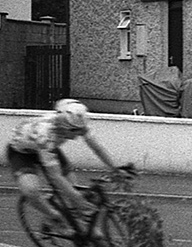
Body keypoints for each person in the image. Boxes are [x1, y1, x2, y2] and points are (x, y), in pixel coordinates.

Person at [8, 98, 130, 233]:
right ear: (61, 125)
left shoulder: (76, 124)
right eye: (72, 131)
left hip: (49, 149)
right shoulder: (46, 134)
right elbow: (55, 176)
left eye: (79, 130)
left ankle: (81, 225)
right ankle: (53, 216)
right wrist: (77, 198)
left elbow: (97, 148)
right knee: (30, 190)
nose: (76, 136)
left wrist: (115, 168)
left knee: (72, 188)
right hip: (23, 154)